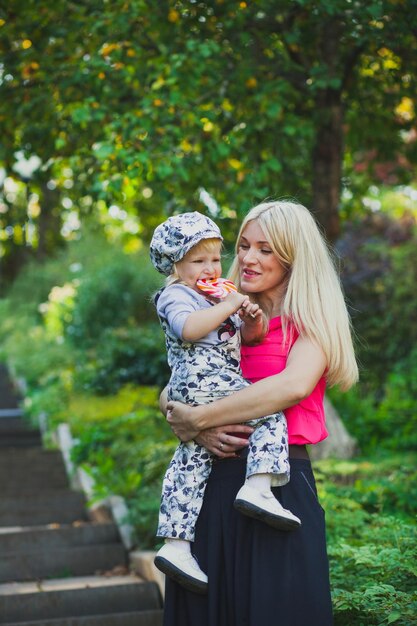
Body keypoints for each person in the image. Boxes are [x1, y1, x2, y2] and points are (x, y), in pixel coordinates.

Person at [162, 201, 359, 626]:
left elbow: (292, 386)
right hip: (209, 492)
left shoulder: (310, 322)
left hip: (277, 489)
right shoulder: (223, 318)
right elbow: (171, 394)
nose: (248, 258)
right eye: (244, 246)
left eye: (265, 249)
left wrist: (201, 417)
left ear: (293, 256)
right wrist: (193, 428)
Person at [149, 211, 300, 595]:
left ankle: (176, 544)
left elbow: (246, 340)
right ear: (175, 265)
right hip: (201, 381)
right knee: (268, 414)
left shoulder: (215, 293)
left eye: (215, 259)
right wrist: (232, 303)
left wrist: (250, 318)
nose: (210, 268)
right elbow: (188, 329)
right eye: (198, 261)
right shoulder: (176, 294)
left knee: (189, 464)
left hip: (202, 388)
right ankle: (259, 486)